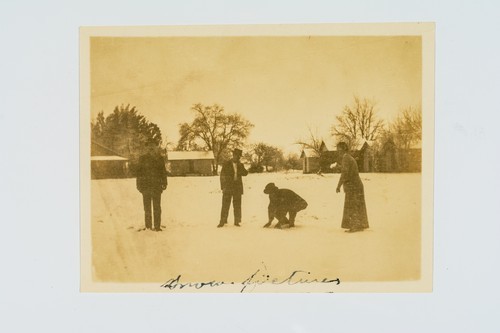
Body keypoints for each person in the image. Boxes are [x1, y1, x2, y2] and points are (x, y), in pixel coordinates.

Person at [336, 142, 369, 233]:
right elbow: (346, 171)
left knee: (352, 206)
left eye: (339, 149)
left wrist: (338, 186)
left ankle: (355, 226)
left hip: (353, 186)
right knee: (357, 205)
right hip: (356, 185)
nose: (337, 152)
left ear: (343, 150)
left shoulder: (346, 158)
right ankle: (359, 225)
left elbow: (345, 174)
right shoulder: (348, 158)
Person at [136, 142, 168, 231]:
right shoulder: (142, 159)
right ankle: (148, 226)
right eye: (149, 147)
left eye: (153, 146)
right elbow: (139, 173)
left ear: (155, 147)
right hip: (145, 187)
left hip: (157, 187)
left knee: (157, 207)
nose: (151, 148)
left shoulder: (160, 159)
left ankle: (157, 226)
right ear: (147, 148)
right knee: (147, 208)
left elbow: (163, 172)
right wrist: (138, 185)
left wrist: (164, 183)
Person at [217, 148, 248, 228]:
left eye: (238, 157)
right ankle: (222, 221)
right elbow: (222, 176)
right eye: (236, 156)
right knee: (225, 205)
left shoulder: (240, 165)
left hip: (237, 187)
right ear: (233, 155)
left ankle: (237, 221)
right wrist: (223, 187)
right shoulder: (226, 164)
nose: (237, 158)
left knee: (237, 205)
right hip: (228, 187)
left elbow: (245, 173)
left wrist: (241, 167)